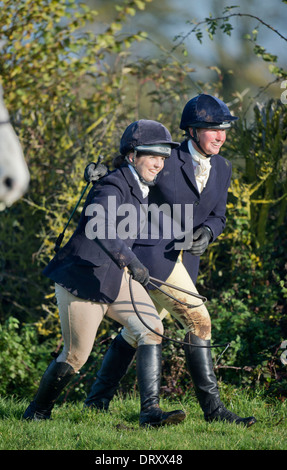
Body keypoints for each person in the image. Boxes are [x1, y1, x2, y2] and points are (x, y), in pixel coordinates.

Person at [84, 94, 257, 427]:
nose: (220, 136)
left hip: (185, 263)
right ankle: (215, 412)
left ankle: (96, 401)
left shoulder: (223, 167)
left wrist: (207, 233)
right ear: (192, 131)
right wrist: (104, 173)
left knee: (138, 332)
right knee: (199, 320)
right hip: (151, 255)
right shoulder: (167, 155)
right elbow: (129, 171)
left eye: (223, 129)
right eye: (212, 129)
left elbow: (219, 216)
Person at [23, 119, 186, 428]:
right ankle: (37, 412)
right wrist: (133, 262)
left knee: (151, 329)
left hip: (114, 276)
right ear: (131, 156)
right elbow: (101, 227)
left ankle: (150, 414)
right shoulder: (112, 185)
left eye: (162, 157)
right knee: (75, 357)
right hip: (84, 280)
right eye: (152, 155)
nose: (159, 163)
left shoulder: (140, 188)